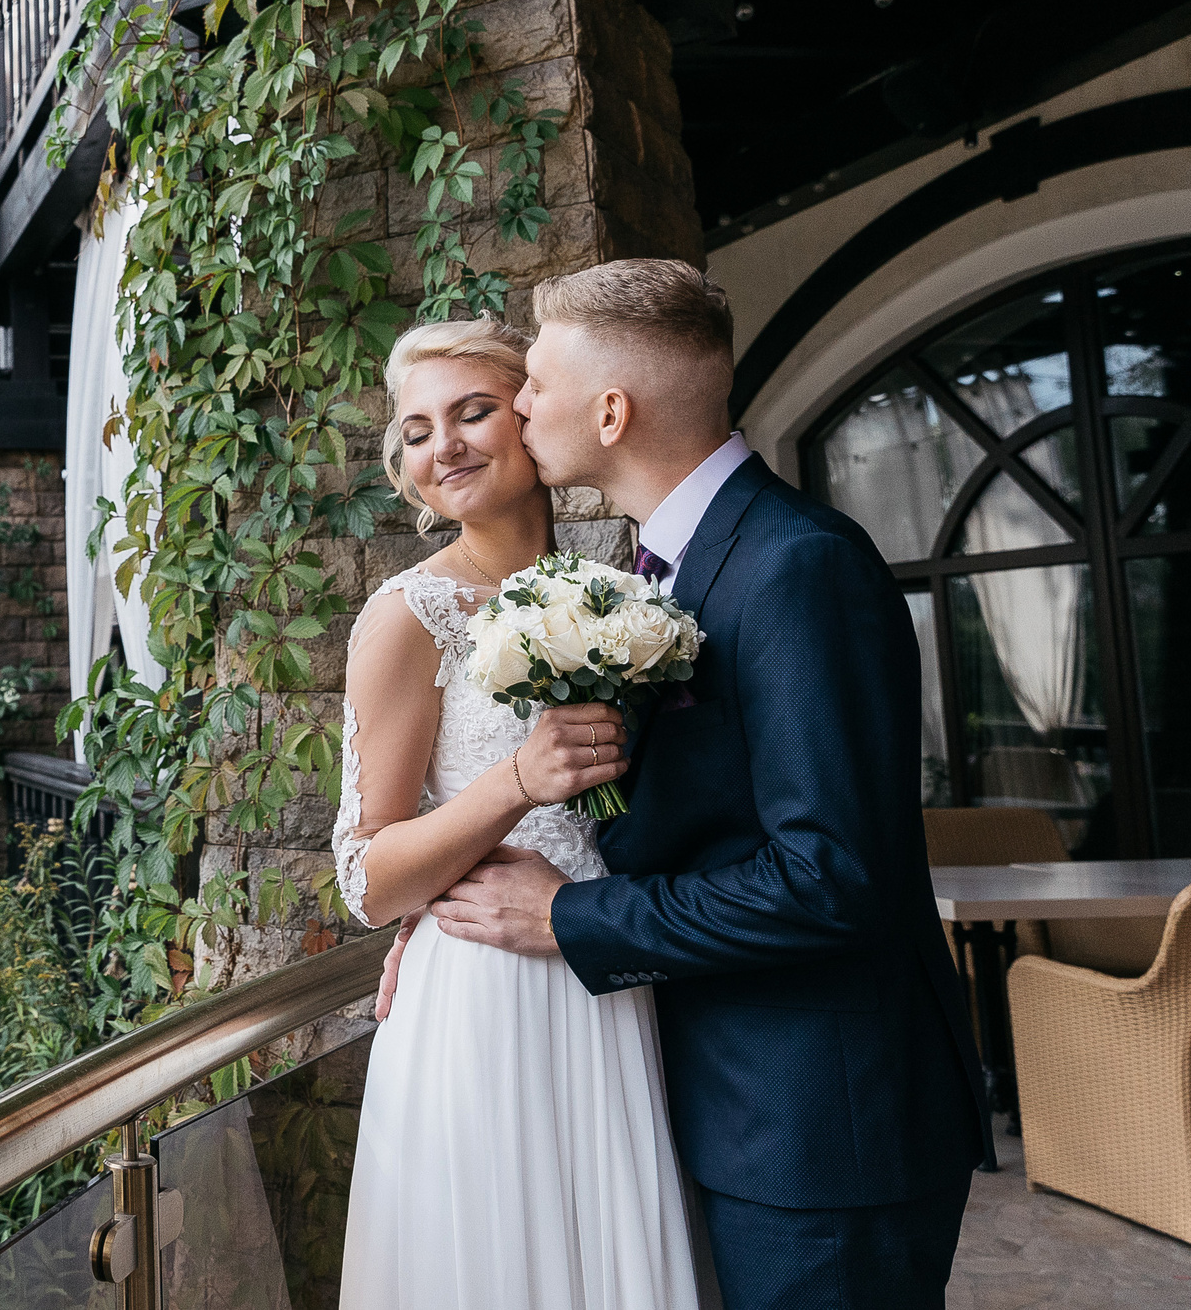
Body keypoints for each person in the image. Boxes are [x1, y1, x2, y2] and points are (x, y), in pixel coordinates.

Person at [419, 259, 987, 1310]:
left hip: (820, 1132)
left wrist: (567, 918)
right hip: (727, 1106)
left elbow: (829, 877)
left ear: (611, 412)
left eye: (536, 382)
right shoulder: (663, 569)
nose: (521, 403)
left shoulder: (798, 565)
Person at [333, 314, 706, 1310]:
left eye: (471, 413)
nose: (443, 446)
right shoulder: (406, 616)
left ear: (530, 420)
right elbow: (365, 879)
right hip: (483, 998)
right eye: (417, 431)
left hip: (609, 974)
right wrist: (515, 783)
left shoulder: (624, 591)